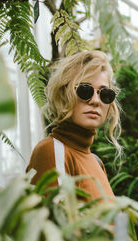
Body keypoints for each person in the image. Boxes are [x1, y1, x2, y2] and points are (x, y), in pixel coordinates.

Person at [26, 50, 122, 200]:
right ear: (64, 94)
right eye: (85, 90)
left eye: (104, 94)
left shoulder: (96, 162)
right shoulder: (52, 151)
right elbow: (51, 221)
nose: (96, 101)